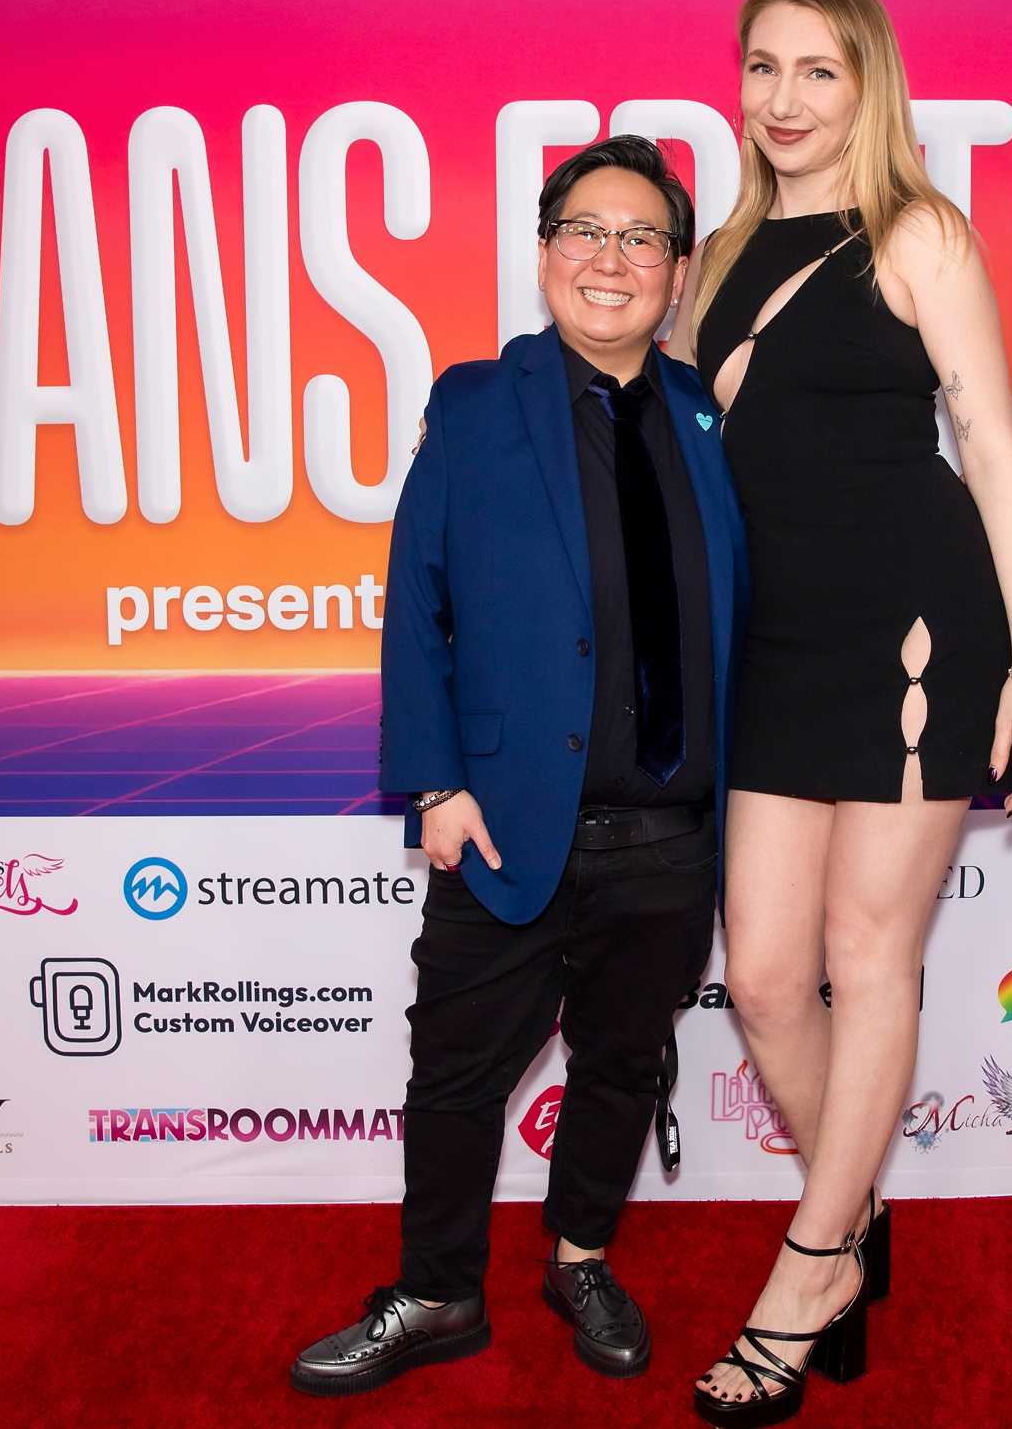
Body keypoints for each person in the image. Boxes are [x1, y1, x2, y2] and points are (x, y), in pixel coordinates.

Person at [291, 137, 748, 1396]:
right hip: (501, 823)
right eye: (584, 231)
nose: (611, 258)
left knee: (622, 1065)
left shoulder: (713, 419)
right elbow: (416, 600)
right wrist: (435, 786)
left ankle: (579, 1256)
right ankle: (437, 1291)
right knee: (453, 1078)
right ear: (545, 253)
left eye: (641, 237)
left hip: (671, 834)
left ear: (677, 270)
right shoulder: (476, 401)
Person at [672, 0, 1012, 1424]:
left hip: (914, 630)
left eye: (819, 71)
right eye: (762, 67)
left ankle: (809, 1265)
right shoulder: (718, 252)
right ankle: (852, 1210)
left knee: (867, 955)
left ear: (869, 86)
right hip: (771, 645)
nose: (784, 99)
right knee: (767, 976)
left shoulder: (919, 232)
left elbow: (994, 448)